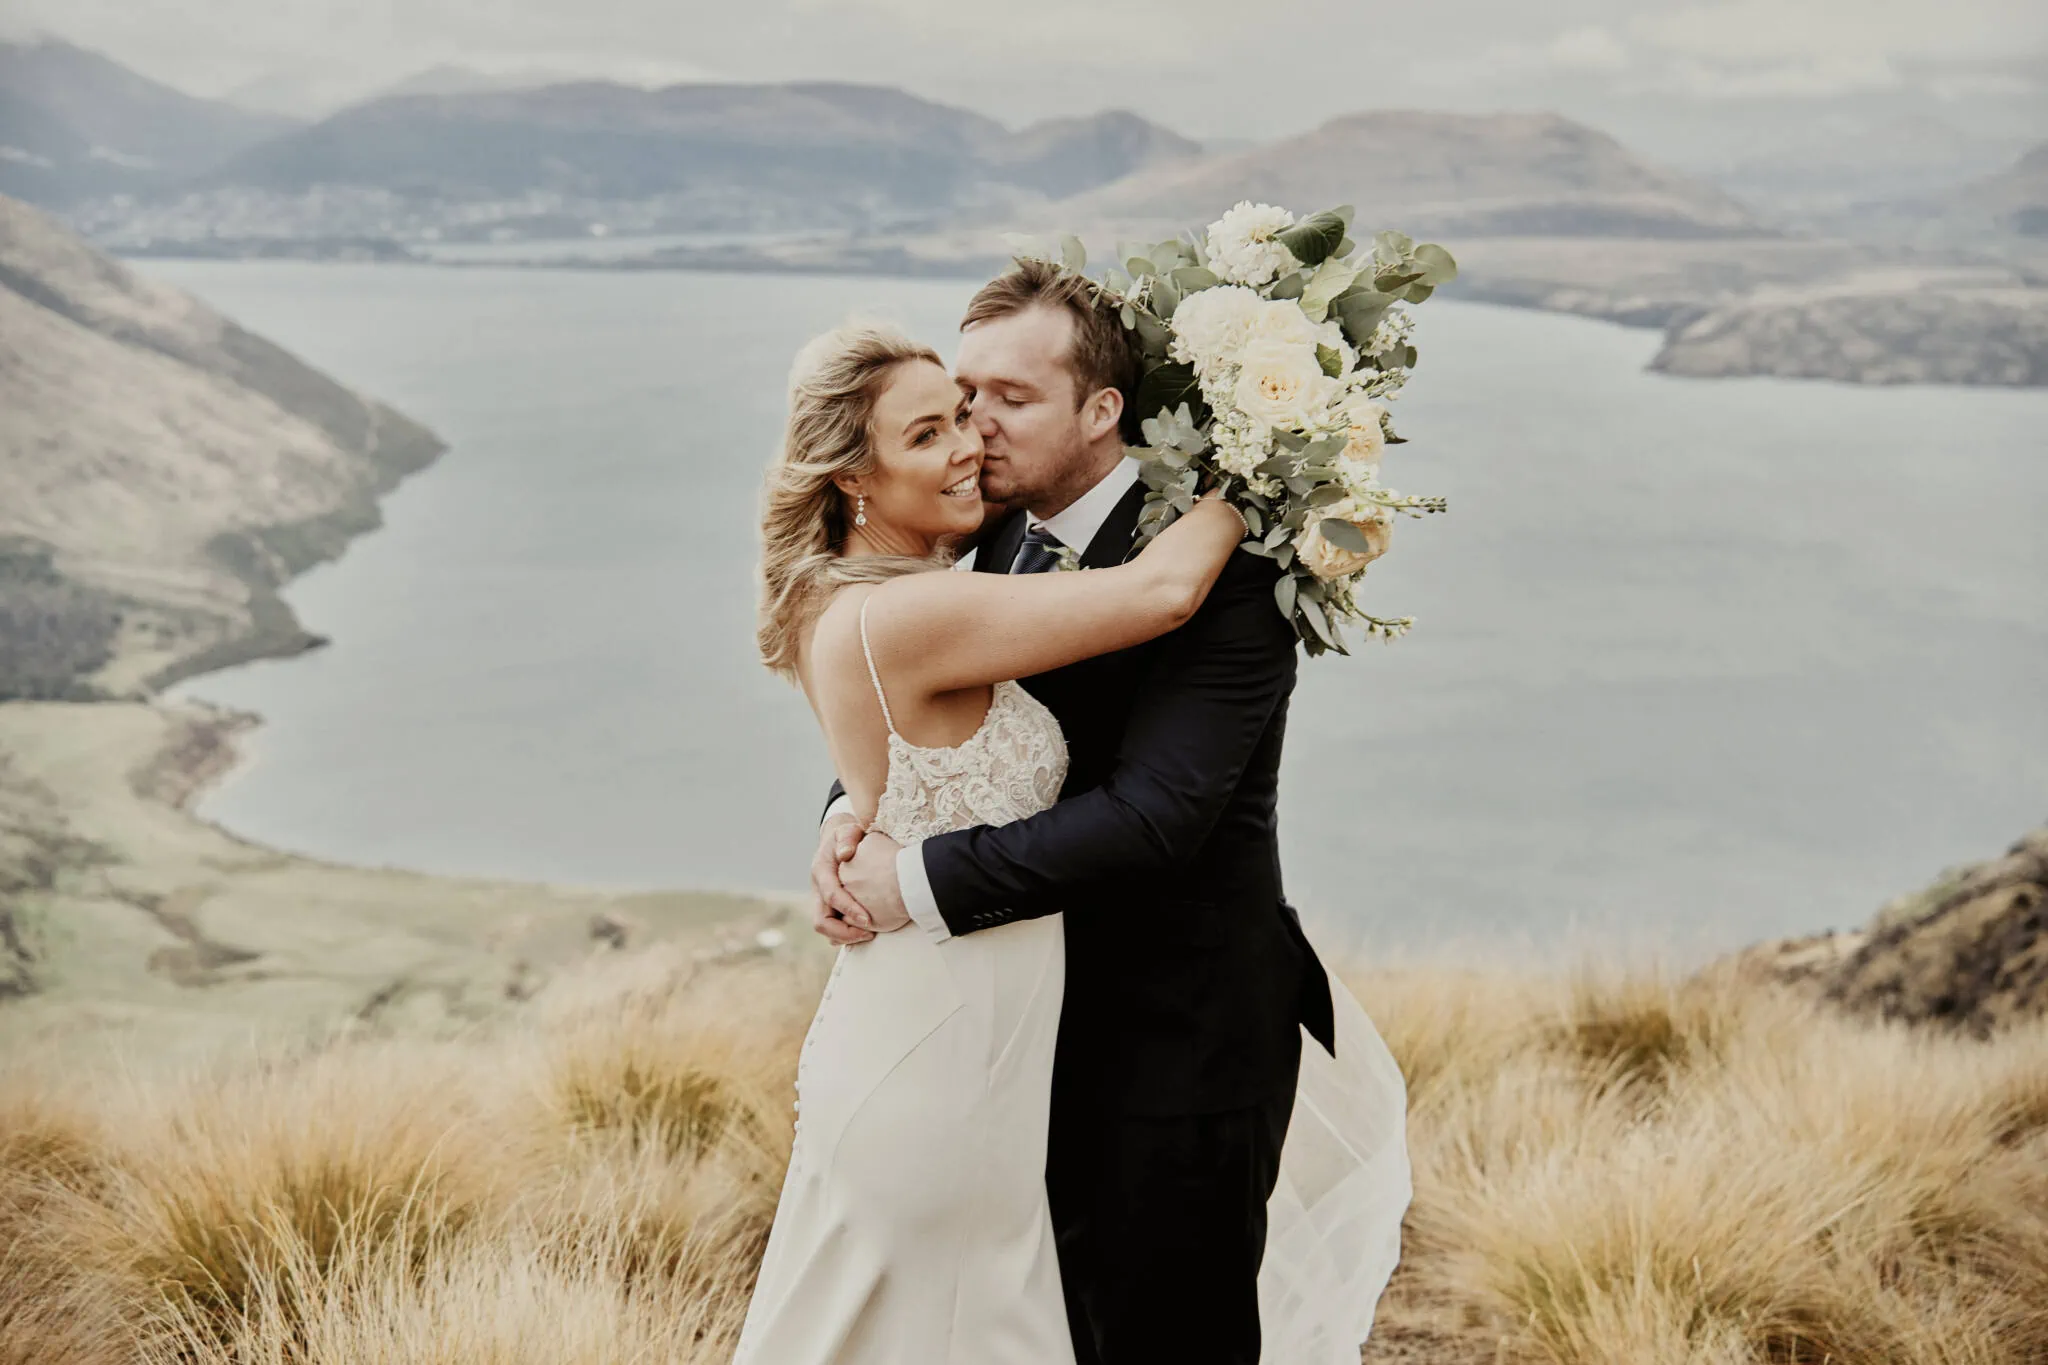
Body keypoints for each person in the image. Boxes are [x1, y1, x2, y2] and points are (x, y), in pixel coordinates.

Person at [737, 317, 1251, 1365]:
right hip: (943, 1062)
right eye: (925, 435)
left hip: (947, 1036)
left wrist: (847, 814)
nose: (967, 442)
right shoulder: (912, 614)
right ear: (852, 479)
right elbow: (1158, 593)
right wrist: (1265, 463)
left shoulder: (875, 595)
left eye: (965, 415)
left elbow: (896, 766)